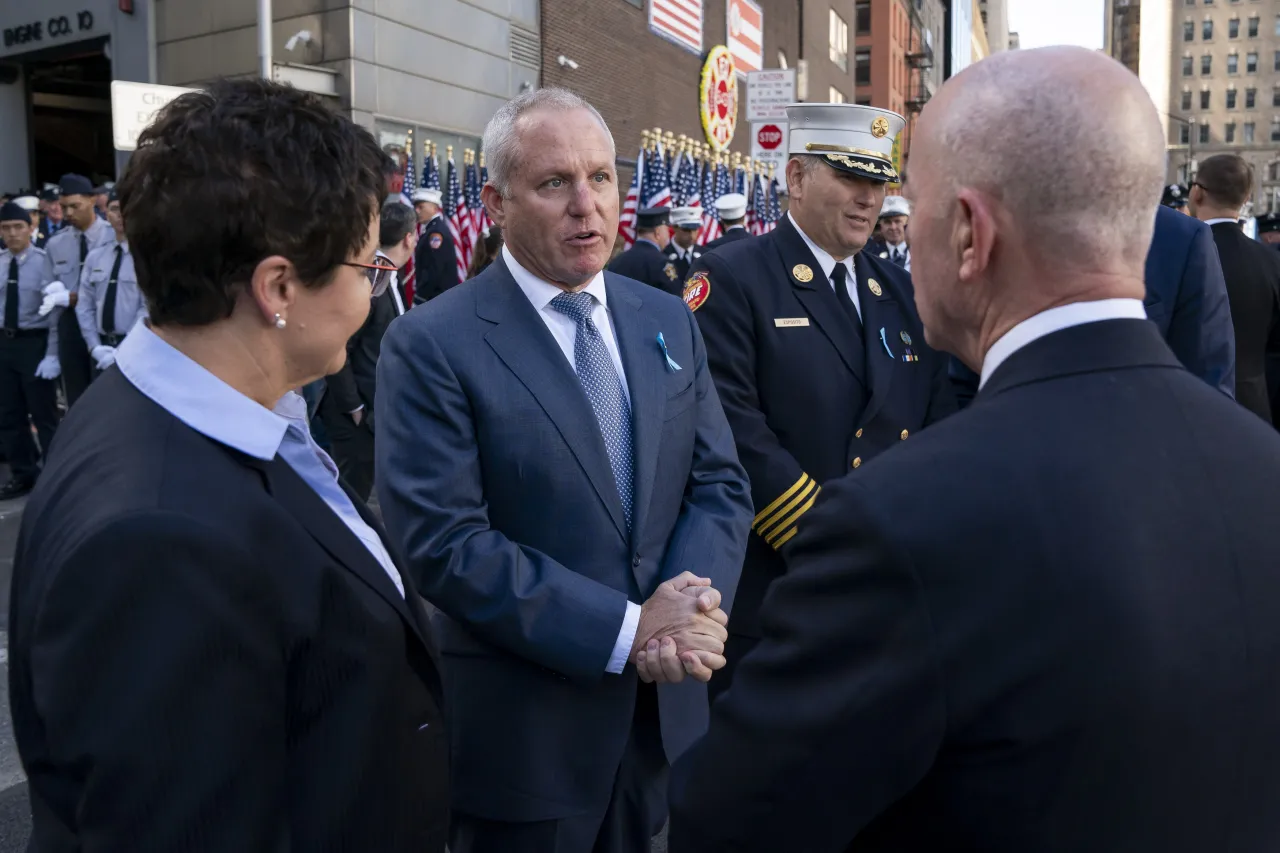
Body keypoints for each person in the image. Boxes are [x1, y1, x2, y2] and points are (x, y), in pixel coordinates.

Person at [669, 46, 1280, 853]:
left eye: (906, 198)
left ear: (968, 232)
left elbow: (731, 818)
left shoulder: (901, 528)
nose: (887, 215)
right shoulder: (1261, 468)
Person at [9, 79, 448, 851]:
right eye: (366, 269)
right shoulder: (158, 541)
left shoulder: (194, 411)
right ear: (277, 287)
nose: (373, 289)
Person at [376, 87, 752, 853]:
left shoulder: (666, 317)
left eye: (602, 178)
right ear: (497, 200)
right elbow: (445, 543)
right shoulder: (433, 343)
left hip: (663, 723)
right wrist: (628, 628)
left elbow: (719, 483)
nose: (588, 206)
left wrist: (691, 609)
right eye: (555, 183)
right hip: (529, 749)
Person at [684, 102, 957, 701]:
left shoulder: (899, 290)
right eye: (851, 178)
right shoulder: (733, 277)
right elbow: (728, 422)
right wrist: (825, 536)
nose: (869, 199)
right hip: (782, 586)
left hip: (888, 582)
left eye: (878, 183)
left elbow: (933, 411)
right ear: (798, 177)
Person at [949, 196, 1237, 407]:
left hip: (1141, 469)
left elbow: (1209, 388)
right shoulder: (994, 224)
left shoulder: (1179, 239)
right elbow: (962, 381)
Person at [319, 201, 412, 501]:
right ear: (409, 238)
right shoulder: (372, 278)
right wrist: (354, 408)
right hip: (353, 415)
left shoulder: (387, 275)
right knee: (347, 499)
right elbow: (340, 343)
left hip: (374, 414)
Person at [1189, 155, 1280, 424]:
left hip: (1188, 410)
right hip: (1254, 413)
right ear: (1246, 197)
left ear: (1196, 193)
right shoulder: (1272, 262)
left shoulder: (1177, 255)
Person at [0, 202, 61, 500]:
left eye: (18, 227)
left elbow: (52, 313)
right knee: (9, 414)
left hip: (34, 342)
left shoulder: (42, 261)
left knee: (43, 413)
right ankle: (23, 473)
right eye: (5, 228)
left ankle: (54, 476)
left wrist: (52, 353)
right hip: (4, 343)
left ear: (30, 228)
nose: (12, 234)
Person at [42, 173, 114, 407]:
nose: (69, 213)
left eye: (75, 206)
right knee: (76, 398)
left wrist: (76, 297)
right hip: (71, 326)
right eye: (64, 207)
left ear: (92, 201)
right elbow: (49, 295)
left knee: (107, 397)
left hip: (103, 322)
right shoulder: (56, 243)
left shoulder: (112, 236)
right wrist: (52, 352)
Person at [75, 187, 147, 378]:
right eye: (114, 209)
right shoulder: (96, 257)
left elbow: (147, 308)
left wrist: (124, 349)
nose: (120, 215)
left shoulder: (146, 258)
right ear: (106, 213)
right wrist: (94, 347)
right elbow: (85, 305)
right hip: (100, 347)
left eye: (127, 209)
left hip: (134, 348)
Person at [608, 207, 682, 296]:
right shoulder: (662, 263)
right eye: (666, 229)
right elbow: (675, 299)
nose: (668, 234)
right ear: (657, 232)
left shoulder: (617, 262)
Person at [411, 187, 458, 303]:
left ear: (434, 208)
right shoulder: (432, 229)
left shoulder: (436, 233)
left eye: (421, 207)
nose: (417, 210)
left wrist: (420, 297)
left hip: (437, 298)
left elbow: (434, 270)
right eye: (416, 207)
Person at [665, 206, 702, 281]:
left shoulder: (705, 254)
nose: (692, 235)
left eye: (695, 229)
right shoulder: (663, 255)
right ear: (674, 227)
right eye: (686, 230)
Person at [873, 195, 910, 270]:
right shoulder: (871, 253)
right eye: (887, 222)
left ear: (907, 223)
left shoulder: (919, 254)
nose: (893, 227)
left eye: (898, 221)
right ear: (880, 225)